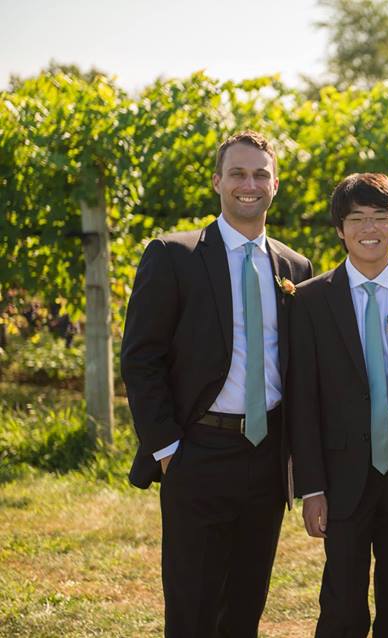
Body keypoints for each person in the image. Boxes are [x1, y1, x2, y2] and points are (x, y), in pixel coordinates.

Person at [121, 130, 313, 637]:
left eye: (260, 174)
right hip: (196, 452)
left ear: (276, 184)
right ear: (217, 182)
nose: (249, 184)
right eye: (238, 173)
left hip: (266, 456)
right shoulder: (173, 256)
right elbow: (141, 359)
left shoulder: (295, 268)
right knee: (192, 606)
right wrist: (167, 448)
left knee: (246, 605)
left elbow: (296, 368)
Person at [286, 173, 388, 638]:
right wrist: (311, 486)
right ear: (340, 228)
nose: (368, 228)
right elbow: (302, 399)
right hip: (340, 475)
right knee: (341, 603)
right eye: (356, 218)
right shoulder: (310, 301)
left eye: (380, 218)